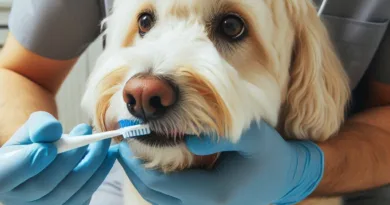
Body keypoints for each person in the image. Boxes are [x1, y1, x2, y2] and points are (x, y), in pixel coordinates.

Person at [0, 0, 389, 205]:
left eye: (230, 27)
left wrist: (305, 172)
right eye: (146, 22)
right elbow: (18, 72)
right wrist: (37, 173)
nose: (145, 92)